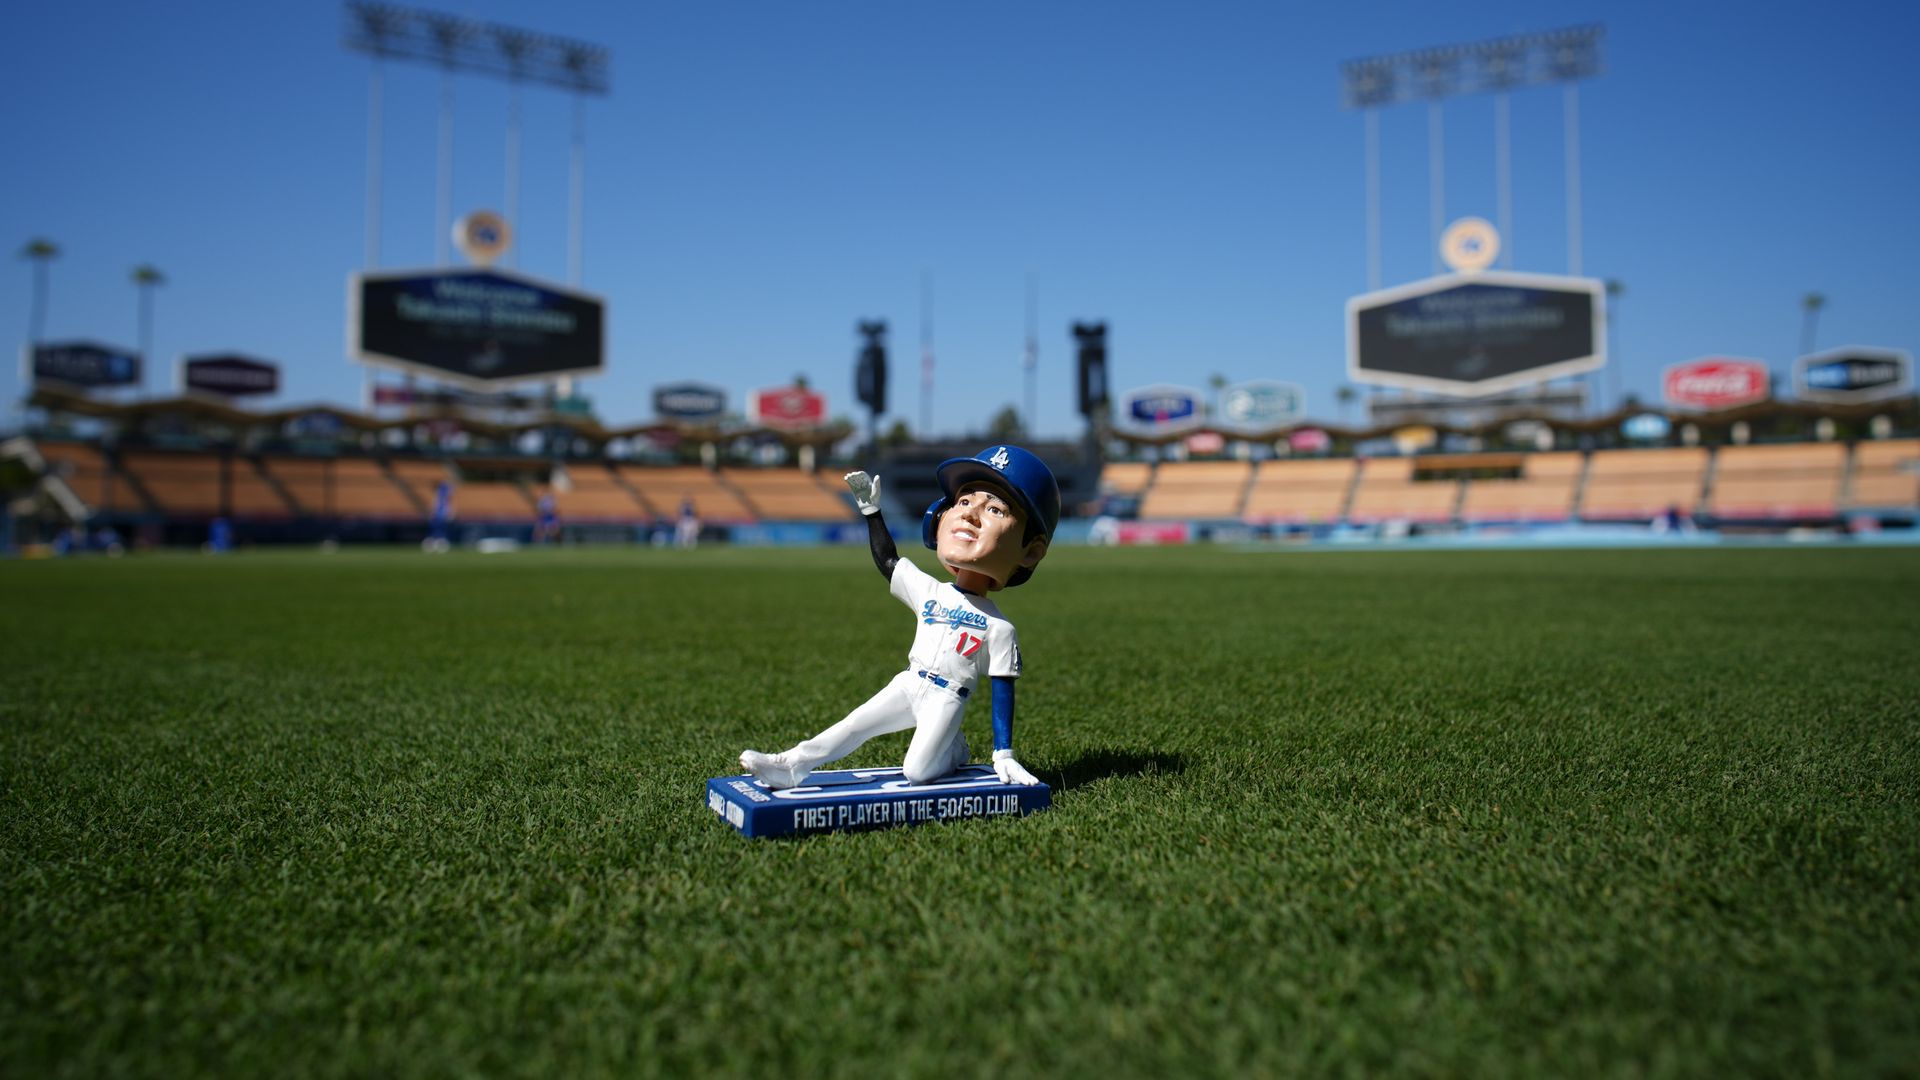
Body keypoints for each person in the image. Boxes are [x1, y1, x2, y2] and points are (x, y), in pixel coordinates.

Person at [740, 445, 1059, 789]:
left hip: (947, 697)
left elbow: (1003, 691)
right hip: (909, 682)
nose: (970, 514)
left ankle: (954, 749)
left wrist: (1004, 753)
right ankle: (792, 765)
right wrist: (871, 512)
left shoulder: (1000, 628)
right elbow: (888, 561)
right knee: (855, 724)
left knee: (917, 772)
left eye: (995, 509)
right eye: (964, 501)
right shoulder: (930, 590)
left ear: (1031, 551)